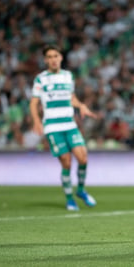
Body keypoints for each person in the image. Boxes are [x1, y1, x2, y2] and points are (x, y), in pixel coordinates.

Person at [30, 44, 98, 211]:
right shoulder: (41, 79)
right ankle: (69, 199)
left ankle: (81, 190)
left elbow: (71, 98)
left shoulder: (68, 76)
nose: (53, 59)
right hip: (53, 126)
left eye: (56, 56)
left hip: (69, 123)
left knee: (83, 158)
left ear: (61, 58)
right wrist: (37, 121)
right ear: (46, 60)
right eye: (50, 57)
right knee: (66, 163)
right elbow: (34, 102)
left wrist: (81, 106)